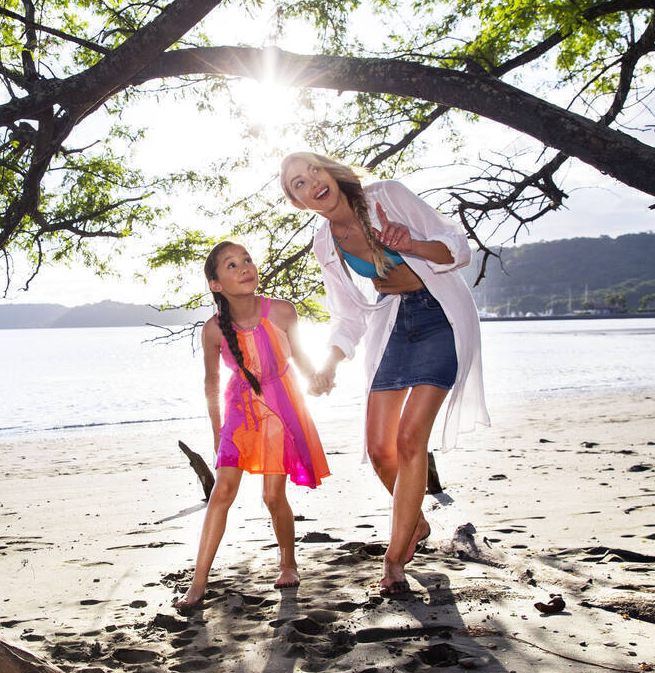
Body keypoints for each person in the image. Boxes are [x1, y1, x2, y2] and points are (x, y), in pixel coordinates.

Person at [279, 151, 489, 595]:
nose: (310, 181)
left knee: (411, 439)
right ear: (299, 202)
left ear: (329, 172)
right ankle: (415, 521)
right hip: (394, 322)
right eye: (297, 183)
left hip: (441, 319)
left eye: (313, 169)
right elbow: (348, 314)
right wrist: (329, 363)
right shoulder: (325, 242)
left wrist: (410, 243)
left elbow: (457, 249)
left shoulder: (387, 197)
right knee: (379, 449)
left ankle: (395, 559)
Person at [175, 240, 331, 612]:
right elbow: (211, 383)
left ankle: (288, 563)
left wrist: (317, 378)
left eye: (247, 259)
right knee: (222, 491)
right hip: (239, 411)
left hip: (280, 408)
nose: (244, 267)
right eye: (231, 265)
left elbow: (302, 358)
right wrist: (217, 431)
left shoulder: (282, 311)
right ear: (215, 284)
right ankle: (198, 584)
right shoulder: (212, 330)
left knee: (273, 496)